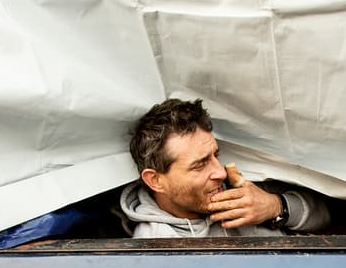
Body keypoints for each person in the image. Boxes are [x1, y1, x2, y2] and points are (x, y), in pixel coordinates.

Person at [122, 98, 330, 237]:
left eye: (216, 155)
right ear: (156, 181)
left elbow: (327, 215)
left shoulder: (238, 189)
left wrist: (277, 206)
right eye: (199, 165)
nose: (220, 172)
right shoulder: (154, 251)